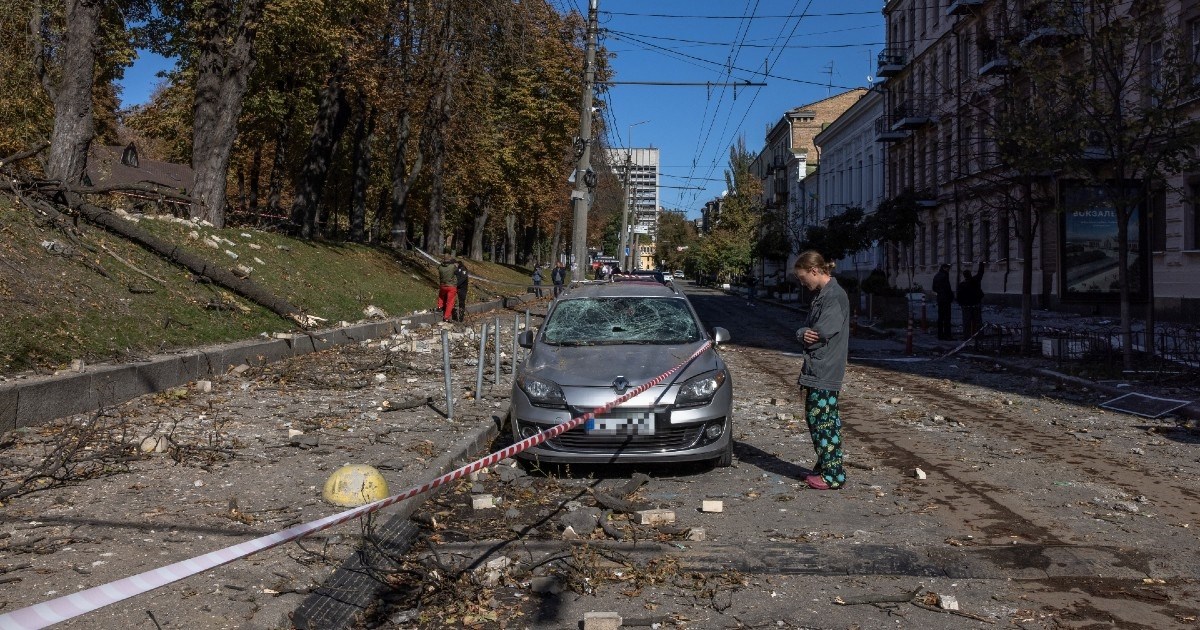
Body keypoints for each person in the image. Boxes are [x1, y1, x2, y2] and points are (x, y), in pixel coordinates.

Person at [793, 250, 849, 490]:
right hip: (819, 368)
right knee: (822, 420)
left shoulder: (833, 296)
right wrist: (801, 333)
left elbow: (819, 333)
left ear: (814, 271)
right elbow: (805, 330)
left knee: (822, 421)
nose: (802, 282)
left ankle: (833, 475)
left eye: (803, 277)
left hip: (825, 369)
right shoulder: (823, 295)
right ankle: (827, 465)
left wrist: (804, 334)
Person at [957, 262, 986, 338]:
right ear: (970, 274)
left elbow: (958, 296)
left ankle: (967, 337)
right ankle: (979, 336)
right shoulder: (975, 281)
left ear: (964, 276)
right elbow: (980, 273)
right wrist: (981, 264)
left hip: (966, 306)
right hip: (976, 304)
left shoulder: (961, 285)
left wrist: (961, 304)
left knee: (966, 322)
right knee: (978, 321)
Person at [932, 263, 955, 340]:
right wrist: (951, 296)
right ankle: (947, 335)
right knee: (947, 318)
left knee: (940, 317)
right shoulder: (945, 276)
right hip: (946, 299)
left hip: (940, 299)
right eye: (948, 268)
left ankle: (940, 335)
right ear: (945, 268)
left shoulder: (936, 275)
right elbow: (948, 288)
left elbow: (934, 288)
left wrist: (939, 293)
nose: (948, 270)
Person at [435, 255, 458, 323]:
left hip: (442, 285)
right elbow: (456, 267)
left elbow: (439, 265)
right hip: (451, 286)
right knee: (450, 302)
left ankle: (440, 307)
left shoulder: (440, 267)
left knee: (441, 295)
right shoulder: (452, 267)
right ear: (450, 260)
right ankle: (446, 317)